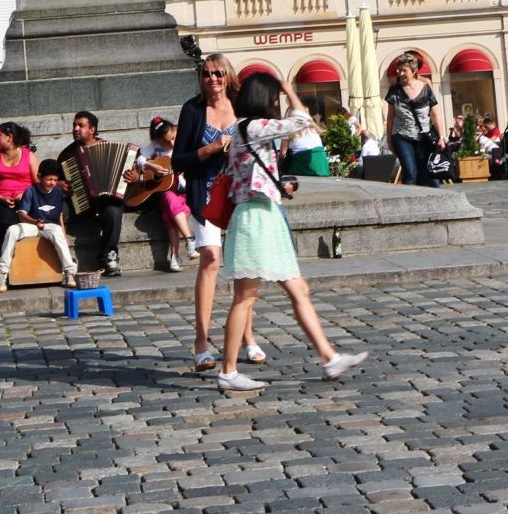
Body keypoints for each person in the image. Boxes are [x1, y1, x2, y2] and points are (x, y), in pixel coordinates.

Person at [214, 73, 366, 393]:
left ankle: (329, 358)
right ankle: (228, 371)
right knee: (245, 298)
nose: (277, 102)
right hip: (255, 218)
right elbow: (301, 121)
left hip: (264, 213)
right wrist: (288, 88)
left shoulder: (245, 129)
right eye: (274, 97)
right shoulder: (253, 127)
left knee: (299, 289)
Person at [172, 52, 263, 374]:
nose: (212, 79)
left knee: (244, 263)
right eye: (206, 73)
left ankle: (247, 336)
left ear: (228, 76)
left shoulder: (241, 105)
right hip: (205, 192)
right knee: (211, 257)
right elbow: (177, 160)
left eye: (218, 73)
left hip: (240, 191)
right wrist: (210, 149)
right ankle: (201, 343)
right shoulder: (193, 110)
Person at [59, 110, 133, 276]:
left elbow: (131, 172)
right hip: (79, 201)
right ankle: (64, 261)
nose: (75, 129)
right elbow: (55, 180)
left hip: (105, 201)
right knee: (59, 212)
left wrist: (134, 176)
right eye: (74, 125)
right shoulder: (67, 154)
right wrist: (59, 184)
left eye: (81, 126)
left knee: (114, 211)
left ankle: (109, 257)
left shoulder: (110, 148)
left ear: (92, 130)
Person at [0, 160, 80, 291]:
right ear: (39, 177)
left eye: (55, 180)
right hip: (31, 224)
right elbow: (22, 215)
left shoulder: (58, 191)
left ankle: (69, 272)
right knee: (12, 230)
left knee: (58, 232)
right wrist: (35, 222)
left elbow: (59, 214)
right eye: (49, 179)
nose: (52, 183)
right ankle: (2, 274)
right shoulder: (30, 191)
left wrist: (63, 231)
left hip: (49, 226)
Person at [0, 122, 38, 272]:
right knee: (6, 222)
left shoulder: (29, 156)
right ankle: (9, 262)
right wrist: (1, 198)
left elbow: (38, 183)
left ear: (9, 137)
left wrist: (25, 194)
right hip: (2, 202)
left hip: (26, 201)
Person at [139, 117, 196, 272]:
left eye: (173, 138)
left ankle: (175, 256)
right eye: (167, 141)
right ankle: (190, 239)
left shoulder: (184, 144)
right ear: (158, 140)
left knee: (168, 215)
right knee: (169, 197)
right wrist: (152, 166)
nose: (172, 143)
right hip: (167, 191)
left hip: (184, 192)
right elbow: (140, 160)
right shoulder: (155, 147)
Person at [383, 55, 444, 188]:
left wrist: (441, 137)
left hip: (424, 136)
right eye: (399, 70)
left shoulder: (425, 88)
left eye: (404, 70)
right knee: (410, 172)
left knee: (424, 173)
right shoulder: (394, 90)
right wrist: (389, 140)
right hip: (402, 136)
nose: (400, 73)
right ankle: (410, 198)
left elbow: (434, 114)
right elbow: (390, 117)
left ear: (414, 71)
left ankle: (427, 198)